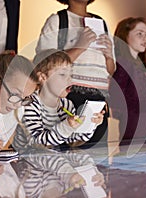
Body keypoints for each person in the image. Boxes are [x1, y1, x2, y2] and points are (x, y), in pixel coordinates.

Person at [35, 0, 116, 146]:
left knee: (98, 158)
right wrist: (80, 46)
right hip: (70, 96)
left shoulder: (101, 23)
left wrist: (109, 55)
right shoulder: (58, 20)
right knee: (67, 152)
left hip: (99, 100)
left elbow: (110, 70)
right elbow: (44, 62)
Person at [12, 49, 104, 149]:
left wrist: (90, 124)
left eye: (71, 75)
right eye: (62, 74)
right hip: (25, 159)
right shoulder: (30, 104)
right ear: (42, 77)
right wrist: (66, 126)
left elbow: (72, 140)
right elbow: (38, 143)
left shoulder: (67, 105)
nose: (70, 79)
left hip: (50, 158)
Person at [109, 17, 146, 142]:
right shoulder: (122, 65)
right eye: (139, 34)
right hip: (132, 134)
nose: (145, 39)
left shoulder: (138, 65)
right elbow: (116, 100)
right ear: (125, 36)